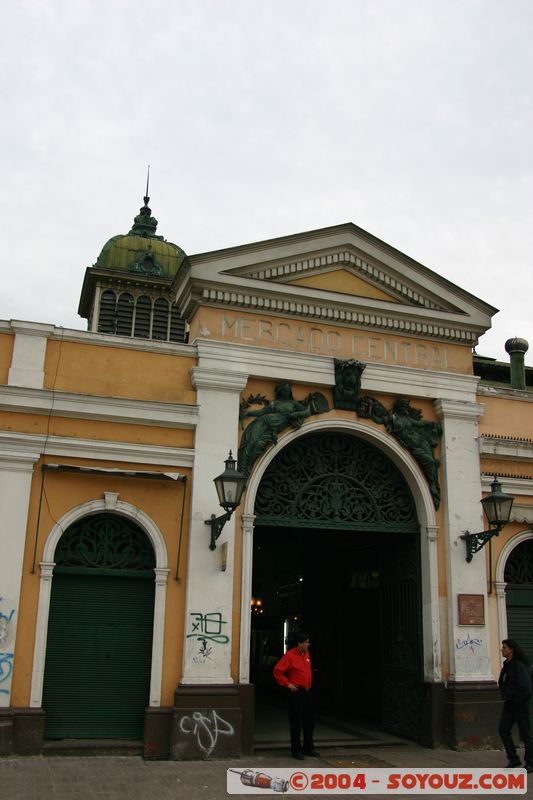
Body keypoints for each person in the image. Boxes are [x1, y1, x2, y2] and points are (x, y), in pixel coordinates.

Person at [272, 631, 320, 760]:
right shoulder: (289, 656)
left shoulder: (307, 654)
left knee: (309, 722)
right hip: (296, 693)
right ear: (299, 643)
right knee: (296, 722)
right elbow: (277, 671)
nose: (309, 644)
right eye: (306, 642)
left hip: (307, 692)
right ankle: (296, 750)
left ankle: (308, 748)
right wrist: (287, 684)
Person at [498, 638, 533, 772]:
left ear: (511, 649)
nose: (502, 650)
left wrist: (517, 699)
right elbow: (503, 682)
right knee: (503, 729)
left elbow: (526, 687)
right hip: (510, 704)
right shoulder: (507, 665)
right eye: (503, 647)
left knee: (525, 734)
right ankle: (513, 758)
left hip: (520, 705)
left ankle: (530, 762)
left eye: (505, 648)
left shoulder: (519, 666)